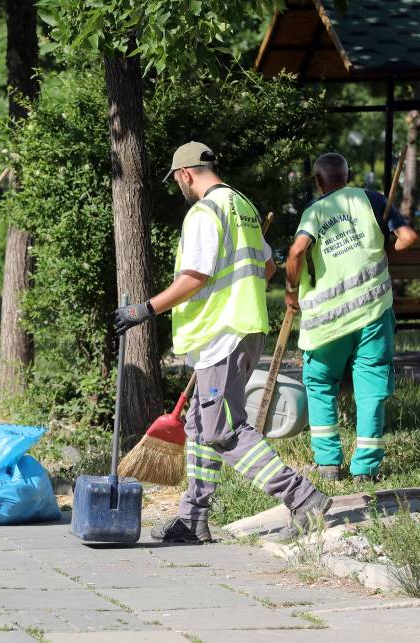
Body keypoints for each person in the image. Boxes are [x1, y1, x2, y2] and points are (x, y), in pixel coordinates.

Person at [114, 142, 331, 543]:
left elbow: (193, 277)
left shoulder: (205, 212)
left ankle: (303, 498)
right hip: (243, 326)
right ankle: (192, 519)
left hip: (222, 333)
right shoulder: (243, 206)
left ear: (185, 174)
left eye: (177, 180)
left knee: (221, 431)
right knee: (199, 426)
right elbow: (266, 266)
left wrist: (144, 310)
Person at [284, 153, 419, 485]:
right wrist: (384, 249)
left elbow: (298, 250)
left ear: (318, 181)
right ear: (349, 175)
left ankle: (328, 464)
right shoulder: (372, 200)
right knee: (371, 388)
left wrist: (290, 289)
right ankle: (366, 468)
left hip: (326, 322)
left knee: (320, 385)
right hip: (373, 312)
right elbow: (408, 238)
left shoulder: (315, 211)